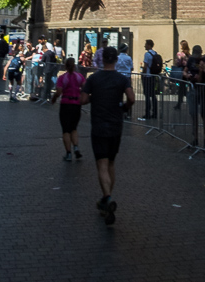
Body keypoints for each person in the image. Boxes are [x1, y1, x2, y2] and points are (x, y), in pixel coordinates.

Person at [81, 46, 135, 226]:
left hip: (99, 126)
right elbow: (132, 98)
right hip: (116, 126)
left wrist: (94, 97)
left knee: (101, 164)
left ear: (102, 60)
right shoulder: (121, 79)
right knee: (111, 162)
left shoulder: (94, 78)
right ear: (116, 60)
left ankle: (107, 197)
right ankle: (106, 200)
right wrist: (124, 108)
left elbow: (83, 99)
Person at [51, 57, 85, 161]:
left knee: (66, 130)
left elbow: (59, 92)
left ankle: (68, 153)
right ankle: (76, 147)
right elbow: (86, 87)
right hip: (76, 104)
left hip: (66, 104)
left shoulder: (62, 78)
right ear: (75, 66)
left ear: (65, 66)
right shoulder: (79, 76)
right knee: (73, 128)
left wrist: (54, 99)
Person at [183, 44, 203, 146]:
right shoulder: (191, 60)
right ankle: (195, 138)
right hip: (192, 88)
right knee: (193, 114)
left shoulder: (204, 60)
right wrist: (188, 75)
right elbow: (185, 71)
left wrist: (199, 74)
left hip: (202, 90)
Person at [139, 39, 161, 121]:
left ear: (149, 45)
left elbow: (145, 66)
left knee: (147, 95)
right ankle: (154, 113)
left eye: (145, 44)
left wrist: (143, 74)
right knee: (153, 95)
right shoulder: (155, 53)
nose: (144, 46)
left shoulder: (147, 54)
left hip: (147, 76)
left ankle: (147, 113)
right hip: (153, 76)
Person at [173, 39, 189, 109]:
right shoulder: (189, 55)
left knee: (181, 89)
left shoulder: (180, 54)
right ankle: (186, 102)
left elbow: (178, 63)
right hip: (187, 72)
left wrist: (177, 61)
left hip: (181, 71)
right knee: (185, 88)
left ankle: (179, 103)